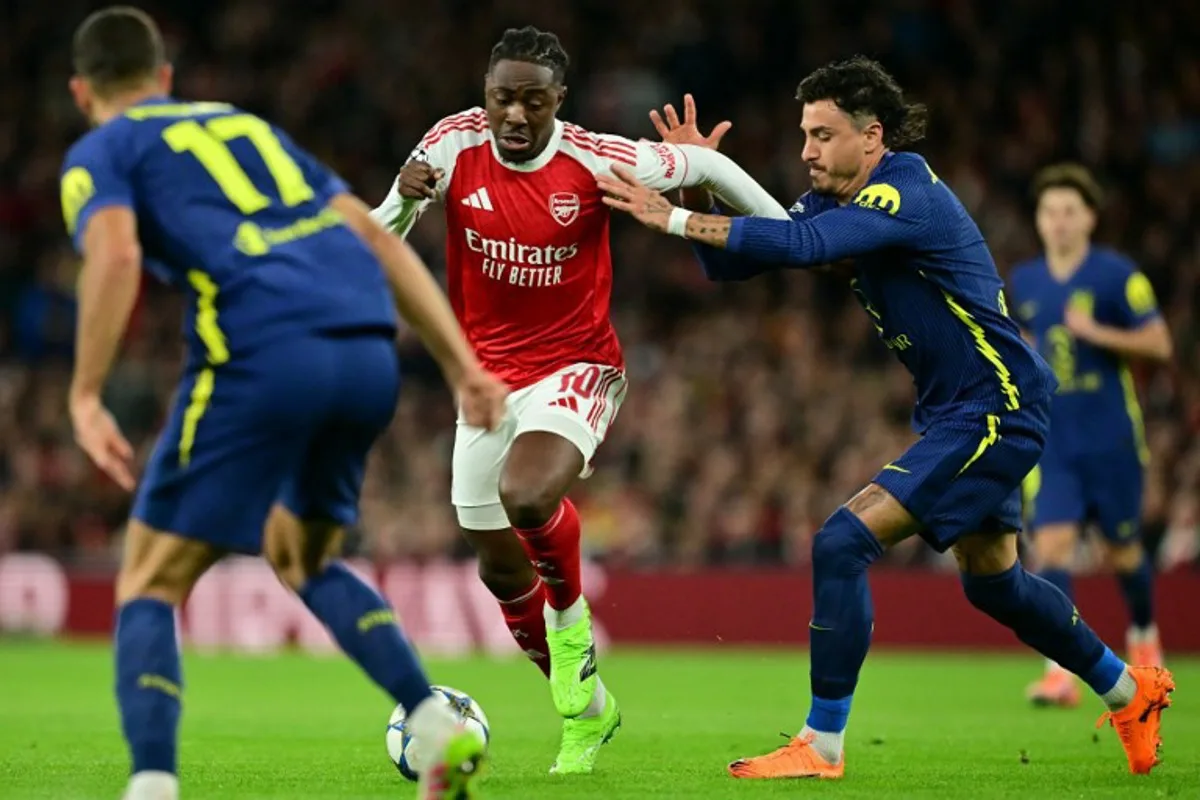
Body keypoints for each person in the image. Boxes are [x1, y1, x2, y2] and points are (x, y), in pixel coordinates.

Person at [598, 56, 1175, 779]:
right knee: (994, 583)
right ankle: (1131, 690)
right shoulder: (838, 206)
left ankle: (823, 743)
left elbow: (802, 247)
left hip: (997, 404)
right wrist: (697, 179)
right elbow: (732, 265)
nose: (805, 150)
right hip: (958, 411)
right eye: (803, 134)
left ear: (871, 137)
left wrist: (674, 213)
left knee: (841, 543)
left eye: (822, 134)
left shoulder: (906, 190)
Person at [60, 8, 506, 799]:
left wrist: (87, 391)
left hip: (262, 348)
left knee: (150, 582)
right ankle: (432, 722)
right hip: (367, 349)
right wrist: (463, 368)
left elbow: (117, 251)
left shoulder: (102, 149)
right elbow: (376, 237)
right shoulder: (247, 128)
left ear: (80, 91)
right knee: (304, 556)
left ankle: (153, 785)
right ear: (164, 78)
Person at [371, 25, 788, 775]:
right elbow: (375, 241)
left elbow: (709, 164)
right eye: (503, 99)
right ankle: (589, 710)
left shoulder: (597, 156)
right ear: (486, 96)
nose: (517, 116)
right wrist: (401, 203)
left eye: (534, 100)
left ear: (559, 100)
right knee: (497, 565)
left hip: (577, 365)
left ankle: (570, 627)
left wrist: (793, 232)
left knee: (526, 495)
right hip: (485, 381)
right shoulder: (448, 146)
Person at [1008, 164, 1173, 707]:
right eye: (1049, 212)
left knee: (1122, 551)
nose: (1058, 222)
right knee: (1051, 546)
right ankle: (1060, 672)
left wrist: (1095, 332)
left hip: (1110, 437)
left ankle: (1145, 642)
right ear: (1038, 220)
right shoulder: (1025, 282)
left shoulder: (1117, 275)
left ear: (1089, 218)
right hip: (1051, 441)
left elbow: (1159, 344)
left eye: (1068, 212)